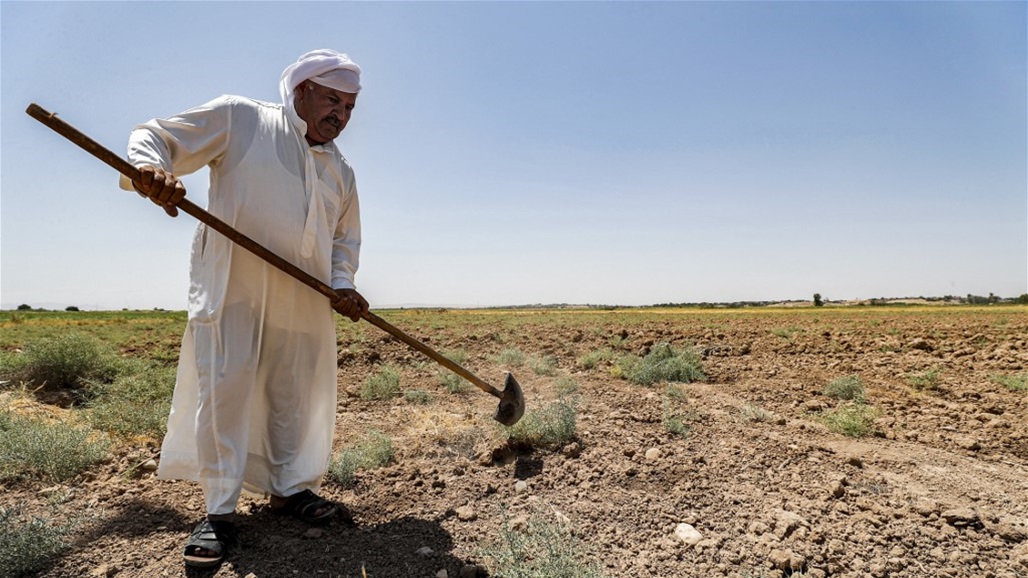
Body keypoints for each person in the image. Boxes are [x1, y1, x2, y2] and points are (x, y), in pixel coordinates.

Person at [122, 49, 370, 568]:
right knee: (226, 391)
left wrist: (343, 283)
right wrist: (152, 168)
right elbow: (156, 135)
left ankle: (291, 490)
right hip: (233, 286)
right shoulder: (242, 118)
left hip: (305, 298)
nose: (341, 114)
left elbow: (343, 242)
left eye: (350, 106)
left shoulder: (341, 171)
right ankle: (218, 513)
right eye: (332, 100)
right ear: (301, 91)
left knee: (294, 394)